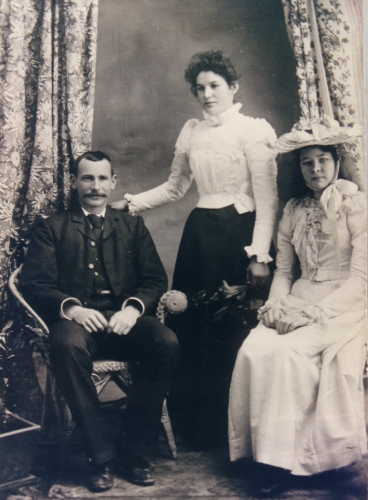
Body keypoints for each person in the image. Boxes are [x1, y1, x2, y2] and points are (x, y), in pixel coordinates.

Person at [110, 50, 278, 447]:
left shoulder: (253, 130)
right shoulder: (191, 131)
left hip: (239, 234)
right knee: (192, 325)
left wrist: (259, 255)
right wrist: (130, 202)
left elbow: (267, 200)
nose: (206, 94)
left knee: (232, 325)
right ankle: (196, 429)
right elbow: (175, 187)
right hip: (199, 234)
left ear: (233, 87)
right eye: (199, 88)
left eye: (214, 86)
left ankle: (236, 432)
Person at [20, 151, 179, 492]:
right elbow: (35, 283)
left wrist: (133, 310)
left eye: (102, 178)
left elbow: (154, 280)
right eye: (87, 178)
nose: (95, 186)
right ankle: (98, 456)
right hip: (77, 324)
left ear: (114, 183)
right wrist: (72, 309)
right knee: (65, 344)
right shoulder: (53, 227)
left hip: (125, 322)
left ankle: (133, 452)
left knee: (165, 341)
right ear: (75, 182)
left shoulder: (133, 225)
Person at [228, 117, 366, 496]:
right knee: (255, 348)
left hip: (345, 303)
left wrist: (313, 312)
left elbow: (361, 280)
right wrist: (274, 306)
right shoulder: (292, 209)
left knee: (289, 354)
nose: (316, 169)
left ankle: (290, 462)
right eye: (307, 163)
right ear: (300, 168)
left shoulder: (358, 206)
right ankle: (261, 455)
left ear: (337, 161)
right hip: (298, 295)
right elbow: (285, 271)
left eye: (323, 159)